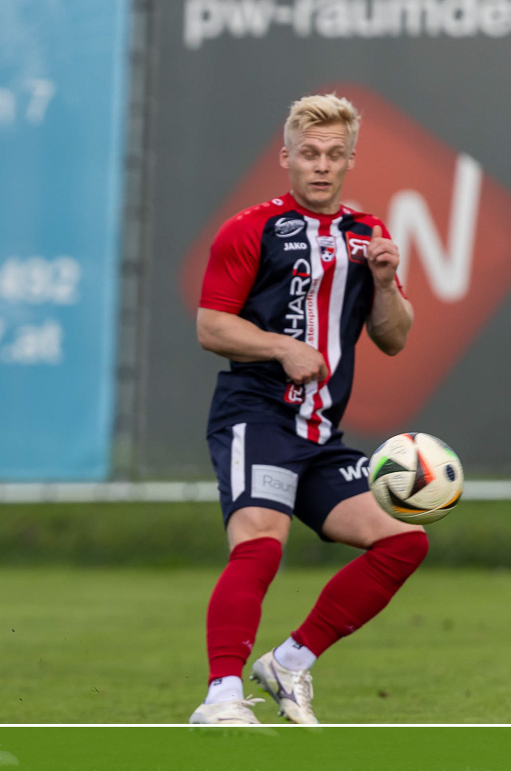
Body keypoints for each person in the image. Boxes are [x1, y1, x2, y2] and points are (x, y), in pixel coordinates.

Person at [189, 93, 426, 725]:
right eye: (310, 153)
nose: (321, 166)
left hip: (320, 432)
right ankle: (220, 696)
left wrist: (383, 282)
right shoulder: (250, 228)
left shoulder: (367, 235)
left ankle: (289, 662)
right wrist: (280, 346)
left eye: (334, 155)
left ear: (350, 161)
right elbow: (211, 326)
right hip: (257, 415)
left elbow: (394, 338)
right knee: (261, 544)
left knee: (404, 541)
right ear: (286, 156)